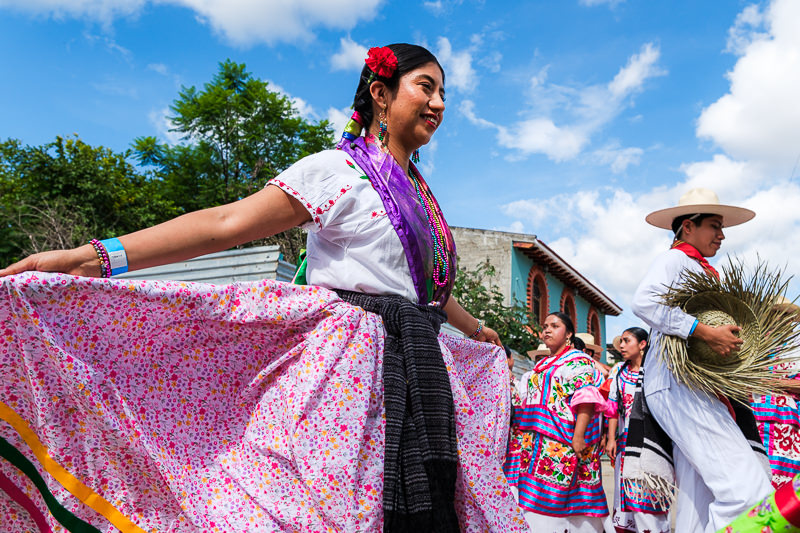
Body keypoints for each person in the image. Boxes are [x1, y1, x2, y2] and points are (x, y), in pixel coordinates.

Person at [0, 44, 528, 532]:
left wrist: (476, 329)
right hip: (351, 380)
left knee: (424, 511)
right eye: (426, 86)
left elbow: (424, 289)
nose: (438, 103)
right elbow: (228, 223)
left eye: (444, 94)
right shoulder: (337, 171)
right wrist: (90, 258)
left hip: (417, 366)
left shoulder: (420, 193)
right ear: (380, 93)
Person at [631, 187, 772, 533]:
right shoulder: (676, 259)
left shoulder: (699, 268)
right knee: (749, 493)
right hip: (678, 387)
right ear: (687, 227)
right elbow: (643, 302)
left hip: (689, 387)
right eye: (714, 225)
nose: (722, 235)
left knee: (701, 499)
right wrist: (704, 331)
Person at [504, 311, 609, 532]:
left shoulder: (577, 362)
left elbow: (586, 399)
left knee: (556, 505)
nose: (547, 330)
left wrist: (578, 437)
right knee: (531, 505)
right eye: (544, 326)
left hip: (560, 444)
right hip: (532, 445)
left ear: (569, 333)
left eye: (554, 326)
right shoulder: (543, 365)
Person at [605, 327, 670, 533]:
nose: (622, 346)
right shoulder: (618, 372)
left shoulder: (656, 371)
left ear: (642, 345)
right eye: (621, 341)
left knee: (650, 488)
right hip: (626, 443)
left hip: (653, 441)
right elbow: (613, 409)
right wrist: (611, 439)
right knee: (624, 490)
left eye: (627, 341)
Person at [751, 296, 800, 487]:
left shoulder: (795, 350)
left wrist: (772, 382)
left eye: (787, 317)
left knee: (787, 485)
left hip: (791, 425)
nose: (784, 321)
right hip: (760, 421)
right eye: (778, 314)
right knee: (760, 480)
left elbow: (759, 380)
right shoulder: (753, 346)